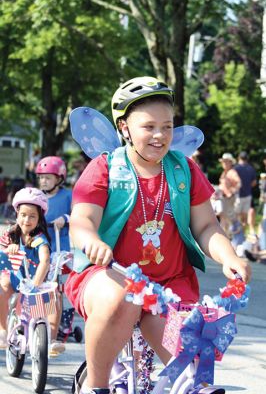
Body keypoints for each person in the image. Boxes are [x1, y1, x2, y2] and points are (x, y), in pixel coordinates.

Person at [65, 76, 251, 394]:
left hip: (169, 284)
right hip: (110, 277)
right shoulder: (106, 168)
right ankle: (96, 386)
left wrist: (229, 256)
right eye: (148, 126)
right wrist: (91, 241)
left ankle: (189, 385)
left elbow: (207, 226)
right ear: (124, 127)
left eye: (167, 126)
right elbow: (82, 220)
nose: (160, 135)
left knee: (192, 349)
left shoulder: (184, 170)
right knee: (122, 300)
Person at [0, 187, 51, 348]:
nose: (26, 220)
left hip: (35, 281)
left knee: (52, 299)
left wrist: (35, 285)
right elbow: (2, 253)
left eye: (32, 216)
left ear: (39, 219)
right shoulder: (11, 234)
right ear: (17, 214)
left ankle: (52, 336)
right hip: (16, 277)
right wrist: (9, 249)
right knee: (3, 287)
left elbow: (45, 261)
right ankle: (2, 329)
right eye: (23, 215)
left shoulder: (39, 239)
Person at [35, 156, 72, 355]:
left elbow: (80, 214)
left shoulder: (67, 196)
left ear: (59, 178)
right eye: (41, 178)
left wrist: (65, 218)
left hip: (60, 248)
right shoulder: (36, 196)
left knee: (56, 290)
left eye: (48, 178)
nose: (44, 182)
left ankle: (53, 335)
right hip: (39, 247)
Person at [218, 153, 241, 236]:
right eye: (223, 162)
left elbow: (239, 183)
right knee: (224, 218)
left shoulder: (232, 172)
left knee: (230, 218)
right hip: (224, 198)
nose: (224, 163)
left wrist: (231, 191)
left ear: (230, 162)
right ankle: (227, 236)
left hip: (229, 199)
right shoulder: (224, 172)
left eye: (226, 162)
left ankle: (232, 236)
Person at [234, 151, 257, 231]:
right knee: (244, 216)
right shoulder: (251, 168)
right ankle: (243, 234)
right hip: (248, 195)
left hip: (238, 196)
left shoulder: (235, 168)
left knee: (237, 216)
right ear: (247, 158)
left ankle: (238, 234)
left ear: (239, 158)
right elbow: (254, 183)